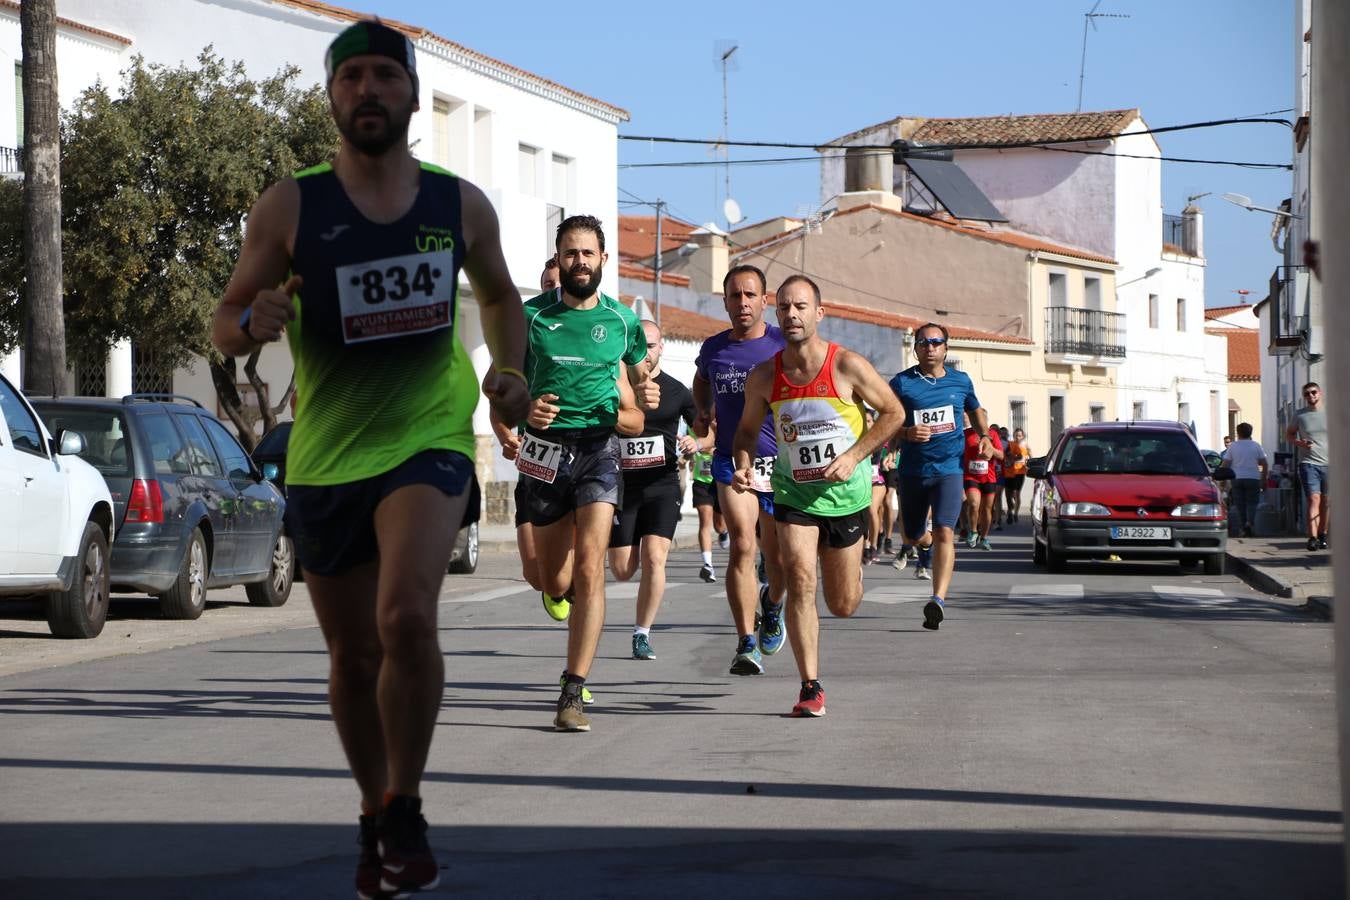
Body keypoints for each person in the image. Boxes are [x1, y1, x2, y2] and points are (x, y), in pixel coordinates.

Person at [210, 20, 531, 898]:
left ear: (412, 94)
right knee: (352, 659)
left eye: (385, 75)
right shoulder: (291, 206)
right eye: (350, 77)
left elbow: (502, 295)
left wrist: (508, 369)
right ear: (332, 98)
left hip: (428, 437)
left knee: (405, 620)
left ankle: (407, 802)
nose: (368, 91)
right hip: (326, 454)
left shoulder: (458, 205)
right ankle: (371, 807)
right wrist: (253, 323)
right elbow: (226, 318)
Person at [733, 275, 903, 716]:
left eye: (801, 307)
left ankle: (854, 578)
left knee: (842, 604)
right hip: (794, 495)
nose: (791, 314)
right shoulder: (765, 375)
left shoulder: (846, 365)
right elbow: (746, 433)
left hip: (846, 497)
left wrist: (856, 455)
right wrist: (744, 465)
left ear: (818, 313)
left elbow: (893, 412)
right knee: (800, 577)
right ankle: (810, 685)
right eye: (785, 307)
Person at [518, 214, 656, 732]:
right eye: (570, 253)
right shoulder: (531, 317)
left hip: (599, 452)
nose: (580, 262)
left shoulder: (623, 323)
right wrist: (524, 409)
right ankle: (561, 593)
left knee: (591, 568)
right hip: (546, 455)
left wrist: (646, 395)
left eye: (588, 253)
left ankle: (572, 690)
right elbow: (499, 384)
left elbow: (642, 388)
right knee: (556, 577)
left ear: (603, 260)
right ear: (560, 259)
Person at [693, 265, 788, 675]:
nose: (743, 303)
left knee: (780, 555)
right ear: (726, 301)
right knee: (742, 545)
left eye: (750, 295)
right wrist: (703, 410)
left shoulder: (783, 344)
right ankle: (746, 641)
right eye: (735, 295)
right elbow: (701, 380)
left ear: (764, 300)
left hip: (783, 467)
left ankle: (772, 605)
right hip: (733, 460)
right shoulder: (715, 348)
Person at [890, 323, 992, 632]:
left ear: (946, 348)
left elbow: (975, 411)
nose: (930, 347)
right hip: (912, 472)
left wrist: (984, 435)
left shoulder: (961, 381)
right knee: (911, 534)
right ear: (916, 347)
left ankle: (938, 599)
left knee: (947, 531)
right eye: (924, 342)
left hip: (949, 470)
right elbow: (883, 421)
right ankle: (923, 543)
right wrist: (906, 432)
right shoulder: (902, 383)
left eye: (936, 342)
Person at [608, 319, 697, 660]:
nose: (647, 352)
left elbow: (705, 426)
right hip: (623, 487)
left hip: (662, 485)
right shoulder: (616, 387)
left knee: (655, 559)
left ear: (662, 349)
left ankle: (641, 633)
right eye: (639, 345)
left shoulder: (677, 391)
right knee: (621, 569)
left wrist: (697, 441)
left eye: (653, 345)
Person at [1286, 382, 1330, 551]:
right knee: (1313, 499)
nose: (1311, 396)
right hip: (1309, 463)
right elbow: (1289, 434)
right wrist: (1299, 442)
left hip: (1330, 464)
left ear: (1320, 393)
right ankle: (1312, 537)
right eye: (1307, 394)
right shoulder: (1299, 415)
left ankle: (1322, 534)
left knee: (1326, 502)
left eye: (1313, 392)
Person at [961, 414, 1004, 550]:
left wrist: (991, 451)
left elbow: (1001, 455)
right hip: (970, 477)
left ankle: (984, 537)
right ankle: (973, 531)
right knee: (973, 504)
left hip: (988, 477)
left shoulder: (993, 434)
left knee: (987, 509)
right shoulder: (966, 434)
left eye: (982, 419)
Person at [1222, 421, 1268, 538]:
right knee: (1252, 503)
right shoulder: (1256, 445)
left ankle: (1243, 528)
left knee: (1240, 504)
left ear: (1238, 433)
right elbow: (1264, 463)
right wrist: (1264, 478)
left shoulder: (1233, 446)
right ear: (1250, 432)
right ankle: (1249, 523)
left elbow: (1226, 464)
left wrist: (1222, 478)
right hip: (1253, 477)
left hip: (1237, 478)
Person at [690, 432, 721, 582]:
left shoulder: (723, 423)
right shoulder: (693, 425)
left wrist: (712, 449)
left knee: (720, 526)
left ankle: (724, 532)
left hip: (722, 481)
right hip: (702, 481)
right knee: (705, 520)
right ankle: (708, 565)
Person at [864, 411, 888, 564]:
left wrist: (889, 459)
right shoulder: (853, 438)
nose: (867, 424)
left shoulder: (878, 439)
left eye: (869, 421)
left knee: (871, 509)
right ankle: (864, 544)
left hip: (876, 481)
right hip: (860, 482)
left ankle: (872, 546)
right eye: (864, 420)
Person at [1004, 428, 1030, 524]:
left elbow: (1029, 458)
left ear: (1023, 436)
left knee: (1016, 493)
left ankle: (1014, 513)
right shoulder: (1010, 444)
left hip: (1020, 472)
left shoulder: (1025, 446)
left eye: (1019, 435)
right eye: (1016, 435)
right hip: (1009, 472)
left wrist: (1028, 464)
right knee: (1008, 494)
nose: (1017, 437)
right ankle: (1011, 510)